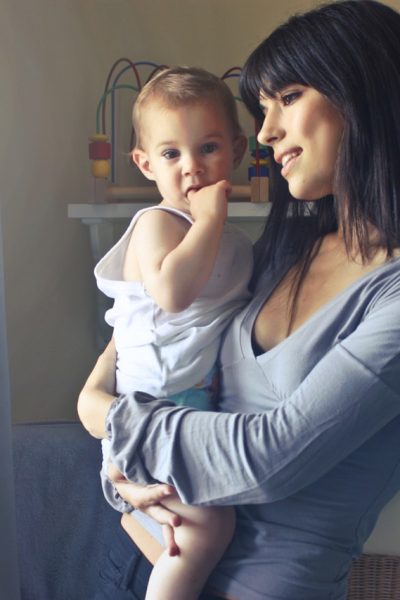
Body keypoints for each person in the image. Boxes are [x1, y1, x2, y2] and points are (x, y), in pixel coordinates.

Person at [78, 1, 400, 599]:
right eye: (261, 108)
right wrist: (98, 401)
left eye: (290, 96)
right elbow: (152, 329)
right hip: (159, 556)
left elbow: (266, 458)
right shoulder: (284, 249)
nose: (266, 131)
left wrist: (110, 418)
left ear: (365, 91)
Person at [90, 66, 253, 600]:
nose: (192, 169)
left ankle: (146, 538)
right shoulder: (158, 223)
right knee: (210, 528)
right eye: (171, 154)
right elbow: (173, 293)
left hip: (190, 405)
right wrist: (206, 222)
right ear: (144, 165)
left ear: (237, 150)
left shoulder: (233, 242)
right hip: (149, 409)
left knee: (203, 534)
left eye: (207, 147)